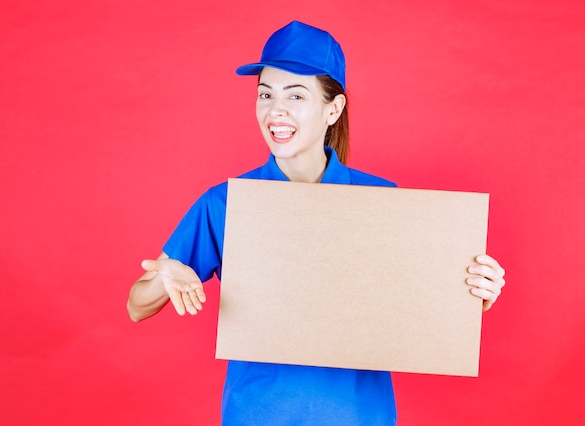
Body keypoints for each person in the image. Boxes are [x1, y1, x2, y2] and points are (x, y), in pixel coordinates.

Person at [127, 20, 506, 426]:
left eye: (296, 95)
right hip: (256, 415)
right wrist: (163, 279)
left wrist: (474, 294)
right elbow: (136, 307)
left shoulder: (382, 201)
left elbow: (423, 304)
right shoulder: (227, 202)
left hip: (360, 416)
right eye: (265, 94)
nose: (276, 110)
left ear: (333, 108)